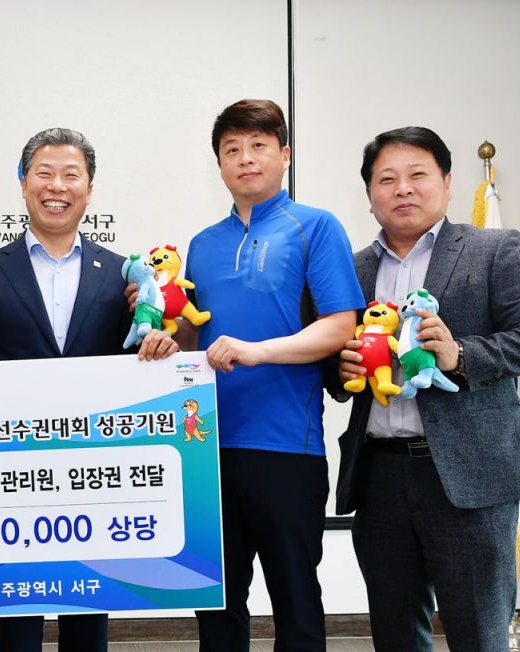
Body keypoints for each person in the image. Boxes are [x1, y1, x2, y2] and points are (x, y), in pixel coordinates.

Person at [0, 127, 178, 652]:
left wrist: (159, 350)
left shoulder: (122, 274)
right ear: (23, 183)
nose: (57, 186)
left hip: (93, 475)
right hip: (11, 474)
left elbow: (132, 368)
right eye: (44, 173)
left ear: (89, 189)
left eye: (71, 175)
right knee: (17, 614)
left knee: (88, 612)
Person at [332, 126, 520, 651]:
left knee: (478, 634)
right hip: (380, 477)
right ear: (369, 194)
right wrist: (338, 371)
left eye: (418, 175)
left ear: (447, 182)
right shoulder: (353, 269)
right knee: (395, 634)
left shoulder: (493, 249)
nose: (403, 189)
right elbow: (332, 364)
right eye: (387, 179)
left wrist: (460, 355)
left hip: (471, 475)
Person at [182, 99, 363, 651]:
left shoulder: (315, 226)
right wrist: (169, 339)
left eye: (259, 145)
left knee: (296, 602)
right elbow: (195, 338)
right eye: (232, 149)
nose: (245, 158)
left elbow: (340, 326)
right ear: (219, 164)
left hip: (287, 446)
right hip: (206, 447)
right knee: (216, 606)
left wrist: (258, 352)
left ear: (284, 155)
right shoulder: (201, 244)